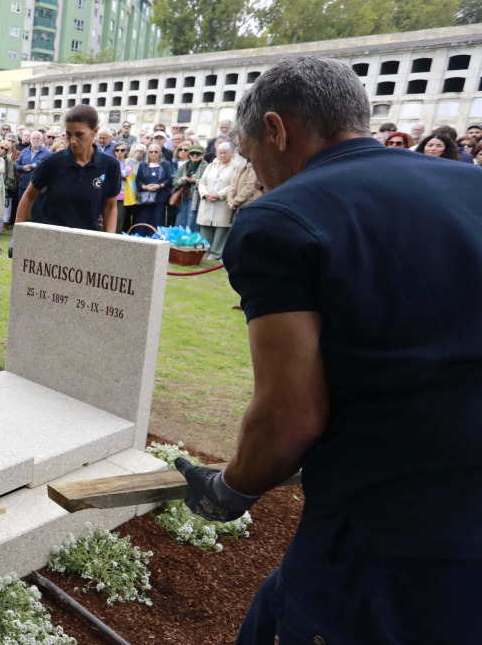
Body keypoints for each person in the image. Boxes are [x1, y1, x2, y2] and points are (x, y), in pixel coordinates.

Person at [173, 55, 482, 644]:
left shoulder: (280, 217)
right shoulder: (473, 184)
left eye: (249, 156)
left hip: (396, 529)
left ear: (276, 130)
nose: (255, 176)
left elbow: (290, 416)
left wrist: (228, 492)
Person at [14, 105, 121, 236]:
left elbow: (110, 207)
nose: (73, 140)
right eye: (69, 134)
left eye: (79, 134)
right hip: (50, 238)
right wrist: (17, 234)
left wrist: (109, 239)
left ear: (95, 131)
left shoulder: (110, 165)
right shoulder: (51, 161)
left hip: (88, 240)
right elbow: (29, 195)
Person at [196, 142, 239, 261]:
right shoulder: (211, 165)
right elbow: (202, 181)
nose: (222, 155)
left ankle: (215, 253)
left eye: (225, 153)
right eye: (220, 153)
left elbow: (233, 184)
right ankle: (204, 251)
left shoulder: (235, 166)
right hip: (207, 201)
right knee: (205, 226)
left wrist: (219, 195)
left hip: (222, 202)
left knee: (221, 228)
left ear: (231, 153)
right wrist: (205, 194)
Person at [130, 143, 172, 233]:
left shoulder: (165, 164)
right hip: (145, 199)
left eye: (155, 152)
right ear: (148, 153)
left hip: (159, 198)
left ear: (159, 153)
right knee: (142, 222)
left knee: (156, 222)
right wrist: (145, 187)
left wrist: (160, 186)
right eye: (151, 152)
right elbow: (138, 181)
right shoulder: (143, 164)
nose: (153, 154)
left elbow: (169, 179)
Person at [172, 144, 207, 232]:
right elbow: (175, 182)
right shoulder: (183, 166)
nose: (195, 156)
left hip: (196, 200)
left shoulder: (206, 167)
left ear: (202, 154)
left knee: (192, 223)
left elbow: (208, 183)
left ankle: (191, 244)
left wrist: (195, 181)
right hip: (183, 198)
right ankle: (178, 243)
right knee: (180, 221)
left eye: (198, 154)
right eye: (192, 153)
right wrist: (182, 180)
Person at [113, 142, 137, 234]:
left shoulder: (129, 161)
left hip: (122, 196)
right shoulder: (111, 160)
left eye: (122, 150)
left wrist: (114, 172)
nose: (119, 152)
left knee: (119, 221)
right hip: (109, 194)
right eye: (117, 150)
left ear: (126, 151)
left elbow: (126, 173)